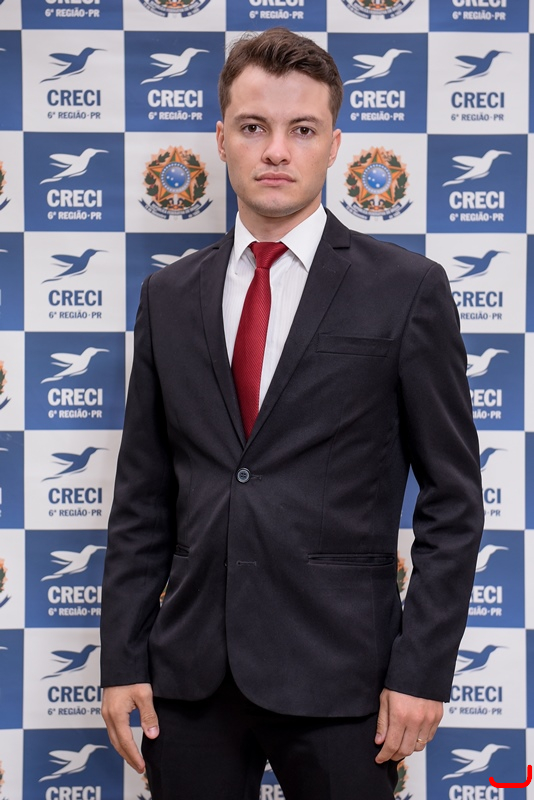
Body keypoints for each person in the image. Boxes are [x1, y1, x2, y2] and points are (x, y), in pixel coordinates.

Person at [100, 27, 484, 800]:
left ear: (334, 145)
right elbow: (143, 497)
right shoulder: (167, 297)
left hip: (348, 679)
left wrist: (421, 668)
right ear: (221, 139)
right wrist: (122, 659)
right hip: (190, 679)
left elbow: (454, 498)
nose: (276, 150)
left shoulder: (406, 289)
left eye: (302, 130)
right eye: (254, 127)